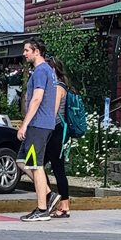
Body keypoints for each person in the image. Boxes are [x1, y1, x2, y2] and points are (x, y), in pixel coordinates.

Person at [17, 37, 59, 221]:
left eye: (27, 50)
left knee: (35, 165)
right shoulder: (47, 71)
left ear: (37, 51)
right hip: (43, 123)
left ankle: (42, 209)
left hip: (38, 124)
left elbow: (37, 98)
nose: (24, 53)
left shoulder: (41, 71)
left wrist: (24, 124)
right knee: (21, 161)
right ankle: (49, 194)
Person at [43, 57, 73, 220]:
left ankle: (63, 205)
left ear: (54, 70)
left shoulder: (57, 88)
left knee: (57, 168)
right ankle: (53, 198)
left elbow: (52, 112)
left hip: (55, 130)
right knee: (42, 166)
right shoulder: (62, 86)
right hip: (57, 130)